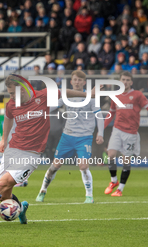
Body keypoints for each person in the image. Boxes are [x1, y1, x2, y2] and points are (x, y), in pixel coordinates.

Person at [0, 73, 94, 227]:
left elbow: (63, 92)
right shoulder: (11, 104)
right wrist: (4, 139)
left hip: (31, 155)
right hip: (13, 150)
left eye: (13, 93)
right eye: (9, 93)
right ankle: (21, 209)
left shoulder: (43, 96)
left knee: (0, 185)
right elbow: (8, 119)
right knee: (5, 196)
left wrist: (86, 95)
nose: (11, 96)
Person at [35, 70, 105, 204]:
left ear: (84, 82)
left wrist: (100, 133)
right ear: (71, 81)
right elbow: (50, 108)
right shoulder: (66, 97)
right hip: (67, 136)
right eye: (75, 79)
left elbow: (99, 115)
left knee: (83, 166)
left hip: (84, 137)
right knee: (55, 166)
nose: (77, 82)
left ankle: (89, 196)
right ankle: (42, 191)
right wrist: (36, 111)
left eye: (80, 80)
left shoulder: (91, 98)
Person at [104, 71, 148, 196]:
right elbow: (111, 113)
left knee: (126, 161)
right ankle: (113, 181)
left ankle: (120, 189)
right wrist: (101, 128)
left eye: (127, 80)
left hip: (131, 133)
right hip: (117, 129)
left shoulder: (138, 95)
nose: (125, 82)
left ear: (131, 82)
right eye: (123, 79)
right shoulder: (115, 96)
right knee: (110, 155)